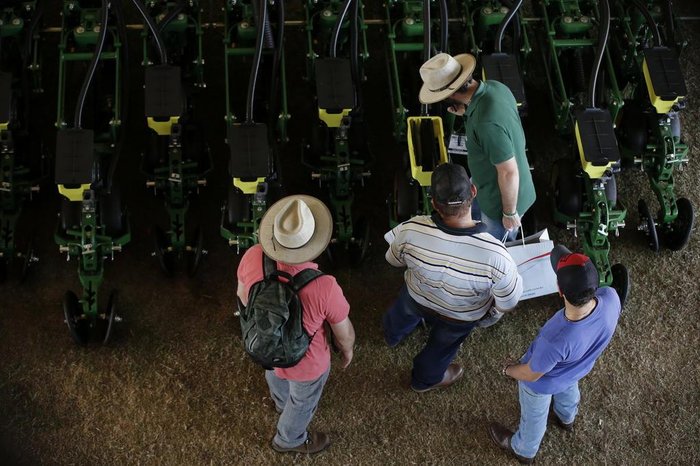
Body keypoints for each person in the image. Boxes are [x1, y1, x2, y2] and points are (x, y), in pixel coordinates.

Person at [383, 163, 523, 392]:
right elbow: (508, 303)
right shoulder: (498, 256)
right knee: (441, 348)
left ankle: (392, 336)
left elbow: (393, 260)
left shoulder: (410, 229)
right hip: (460, 316)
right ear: (473, 192)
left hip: (416, 296)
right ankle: (424, 380)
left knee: (400, 315)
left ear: (433, 202)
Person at [236, 195, 355, 455]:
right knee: (302, 401)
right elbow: (343, 332)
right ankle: (288, 440)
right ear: (314, 243)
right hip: (307, 362)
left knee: (275, 373)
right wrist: (347, 351)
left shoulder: (253, 255)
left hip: (266, 344)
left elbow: (244, 297)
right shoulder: (325, 286)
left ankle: (280, 402)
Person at [489, 245, 621, 464]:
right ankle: (566, 417)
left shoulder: (556, 339)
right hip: (576, 370)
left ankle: (524, 449)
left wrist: (509, 370)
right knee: (569, 390)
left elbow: (531, 374)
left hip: (542, 385)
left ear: (560, 290)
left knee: (534, 417)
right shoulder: (611, 297)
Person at [418, 52, 536, 241]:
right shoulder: (497, 88)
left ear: (451, 94)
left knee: (490, 245)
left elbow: (508, 172)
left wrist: (509, 213)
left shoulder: (485, 123)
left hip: (501, 201)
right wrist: (467, 112)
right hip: (490, 182)